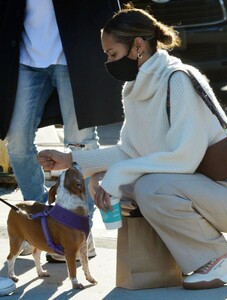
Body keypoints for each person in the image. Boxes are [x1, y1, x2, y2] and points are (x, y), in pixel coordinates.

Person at [38, 5, 227, 290]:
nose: (109, 63)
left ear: (137, 46)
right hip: (207, 191)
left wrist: (117, 174)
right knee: (125, 187)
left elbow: (184, 159)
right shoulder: (135, 89)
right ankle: (179, 259)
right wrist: (71, 160)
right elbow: (131, 151)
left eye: (113, 54)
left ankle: (220, 257)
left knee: (150, 188)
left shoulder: (179, 79)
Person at [0, 1, 123, 259]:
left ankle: (79, 231)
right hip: (23, 59)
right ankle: (40, 227)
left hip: (74, 58)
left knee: (80, 142)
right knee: (17, 141)